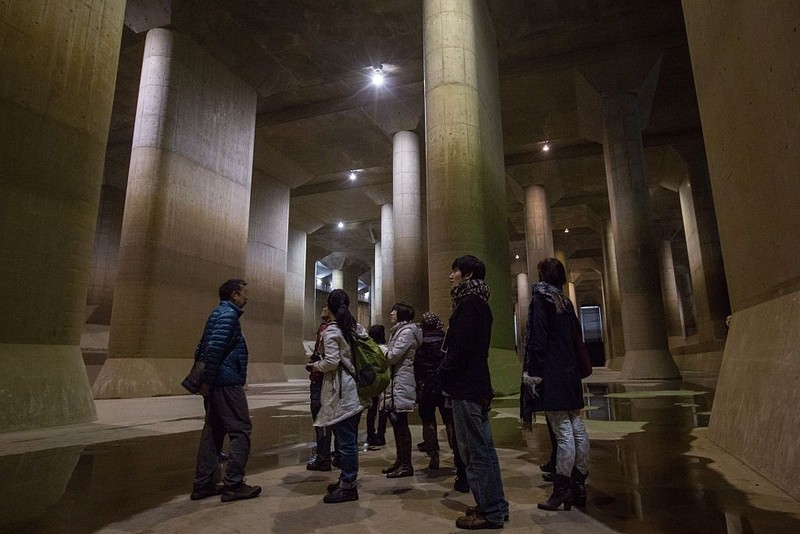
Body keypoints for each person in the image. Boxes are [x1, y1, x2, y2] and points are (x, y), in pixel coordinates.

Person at [438, 256, 509, 530]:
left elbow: (460, 349)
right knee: (486, 450)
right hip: (479, 384)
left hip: (466, 387)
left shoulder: (468, 304)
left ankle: (490, 512)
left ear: (466, 274)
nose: (451, 276)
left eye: (454, 270)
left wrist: (443, 374)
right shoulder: (481, 303)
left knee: (474, 452)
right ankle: (496, 505)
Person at [524, 257, 590, 511]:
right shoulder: (565, 301)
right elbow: (575, 337)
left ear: (542, 275)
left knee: (563, 431)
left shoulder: (541, 298)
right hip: (569, 371)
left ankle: (561, 490)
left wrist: (533, 372)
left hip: (551, 372)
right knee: (576, 426)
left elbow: (538, 337)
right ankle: (579, 484)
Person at [190, 279, 262, 502]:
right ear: (234, 295)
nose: (246, 297)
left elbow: (200, 347)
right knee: (241, 429)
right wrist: (209, 382)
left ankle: (203, 484)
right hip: (226, 381)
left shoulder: (218, 314)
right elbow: (212, 350)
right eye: (244, 293)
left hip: (219, 381)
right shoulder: (228, 316)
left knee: (213, 430)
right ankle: (234, 483)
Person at [306, 289, 368, 503]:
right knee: (347, 438)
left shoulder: (332, 332)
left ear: (330, 307)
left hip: (343, 392)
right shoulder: (354, 328)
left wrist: (315, 365)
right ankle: (345, 479)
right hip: (355, 389)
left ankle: (349, 485)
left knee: (347, 441)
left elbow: (331, 362)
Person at [414, 311, 465, 478]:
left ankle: (434, 455)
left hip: (426, 388)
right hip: (444, 387)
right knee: (450, 421)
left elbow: (417, 370)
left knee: (428, 421)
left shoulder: (421, 346)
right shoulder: (445, 342)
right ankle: (457, 456)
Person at [380, 302, 422, 478]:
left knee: (401, 423)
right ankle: (400, 461)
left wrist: (380, 351)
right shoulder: (399, 331)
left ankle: (406, 464)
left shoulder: (406, 332)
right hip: (397, 381)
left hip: (402, 381)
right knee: (397, 423)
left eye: (394, 311)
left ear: (401, 314)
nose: (391, 313)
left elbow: (393, 356)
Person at [306, 307, 340, 471]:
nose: (324, 308)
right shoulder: (344, 328)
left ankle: (323, 457)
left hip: (322, 380)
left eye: (328, 306)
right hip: (332, 381)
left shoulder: (328, 330)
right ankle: (337, 455)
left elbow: (330, 360)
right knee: (335, 419)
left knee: (322, 418)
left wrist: (315, 366)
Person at [365, 324, 388, 447]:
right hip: (383, 382)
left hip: (372, 382)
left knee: (371, 410)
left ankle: (370, 435)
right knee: (382, 409)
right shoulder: (385, 349)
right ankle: (381, 435)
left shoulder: (368, 349)